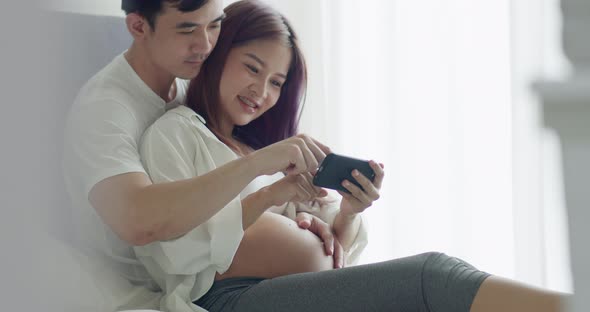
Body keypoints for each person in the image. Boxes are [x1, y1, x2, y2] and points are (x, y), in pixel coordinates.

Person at [136, 1, 568, 312]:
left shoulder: (264, 150)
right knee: (431, 277)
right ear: (216, 55)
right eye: (252, 68)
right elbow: (179, 246)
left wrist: (346, 211)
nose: (261, 92)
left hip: (291, 290)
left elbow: (334, 253)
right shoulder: (175, 134)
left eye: (276, 82)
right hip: (225, 298)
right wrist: (268, 199)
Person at [63, 0, 338, 310]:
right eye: (188, 29)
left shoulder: (190, 85)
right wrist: (258, 169)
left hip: (228, 275)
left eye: (214, 25)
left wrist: (298, 218)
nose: (207, 45)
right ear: (139, 27)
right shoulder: (105, 109)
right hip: (143, 288)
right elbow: (138, 221)